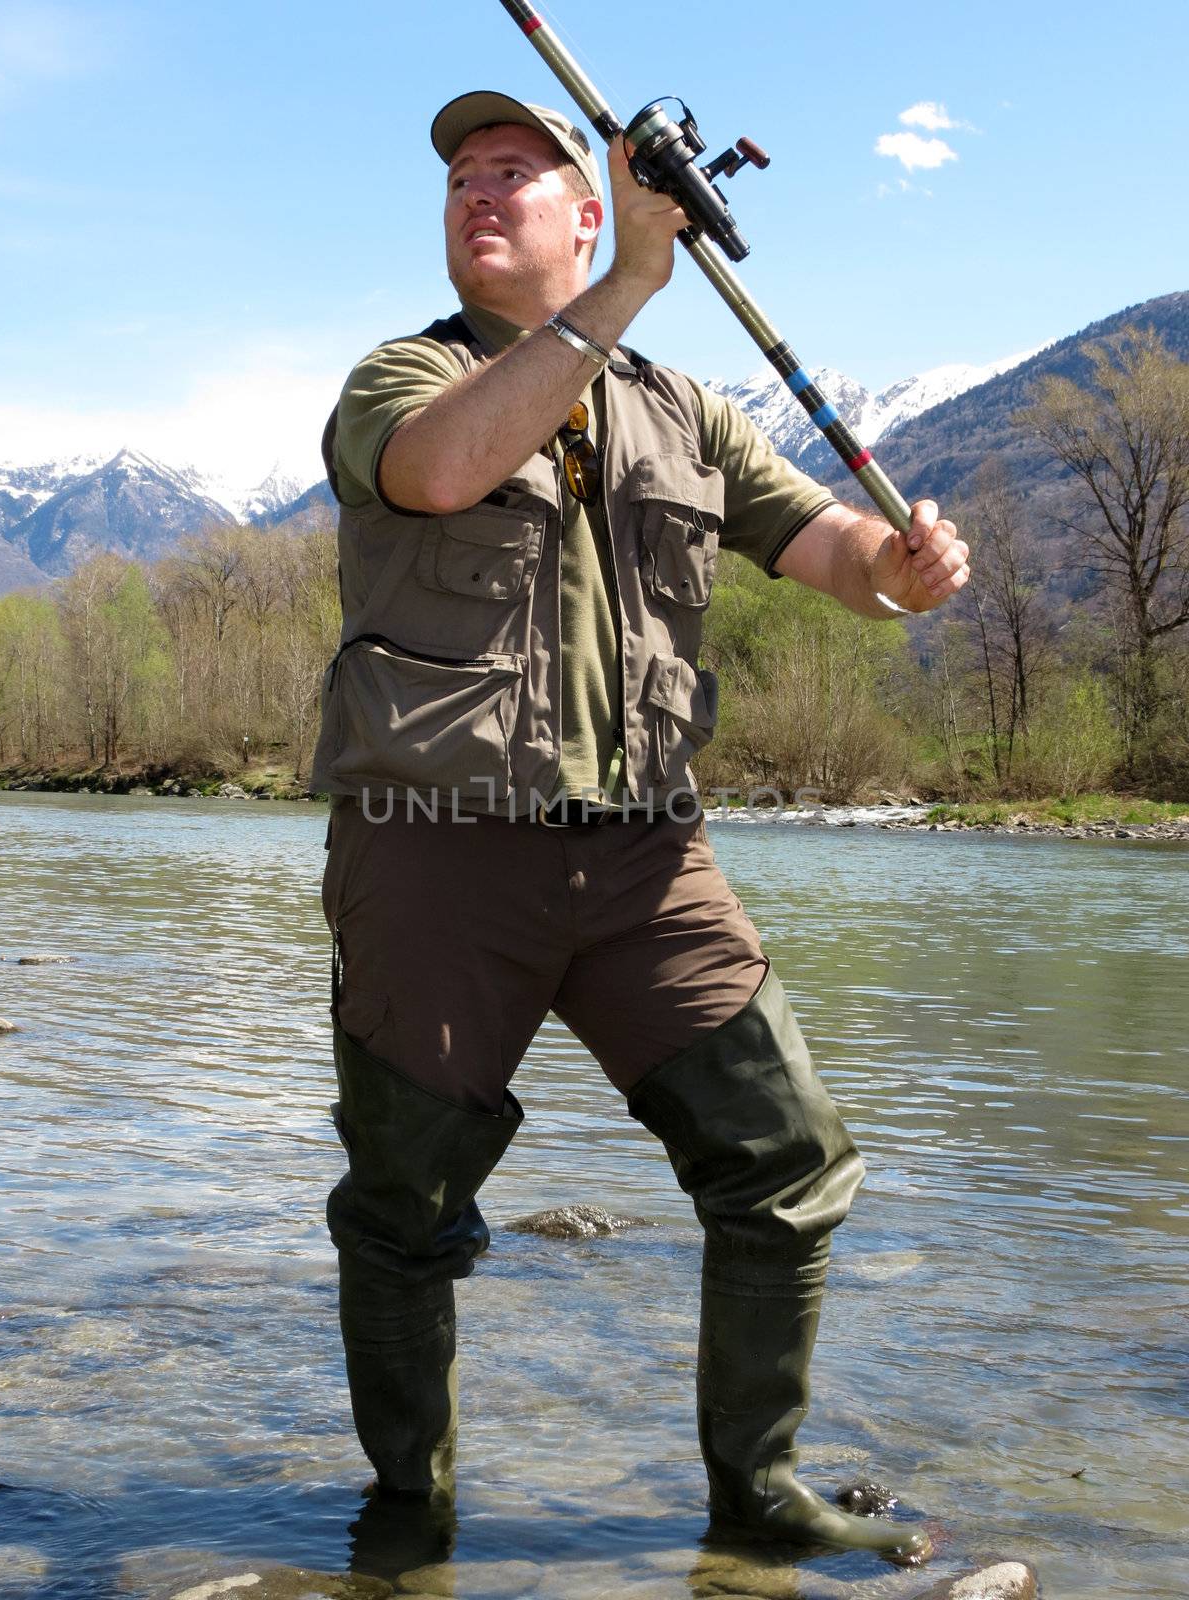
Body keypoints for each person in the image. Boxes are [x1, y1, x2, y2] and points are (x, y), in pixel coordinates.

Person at [312, 90, 969, 1566]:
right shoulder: (401, 377)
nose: (480, 194)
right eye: (462, 180)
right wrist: (621, 296)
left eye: (518, 175)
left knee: (785, 1158)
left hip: (648, 862)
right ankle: (411, 1518)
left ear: (591, 208)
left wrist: (906, 570)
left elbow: (833, 549)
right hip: (436, 850)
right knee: (405, 1207)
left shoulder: (691, 415)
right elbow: (438, 471)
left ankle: (759, 1494)